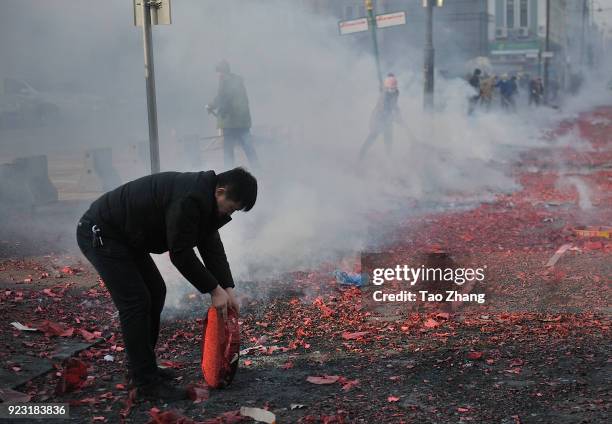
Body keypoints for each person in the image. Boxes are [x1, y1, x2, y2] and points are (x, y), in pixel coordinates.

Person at [76, 167, 257, 402]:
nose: (228, 214)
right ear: (220, 191)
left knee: (156, 291)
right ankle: (145, 383)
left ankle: (142, 368)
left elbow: (210, 245)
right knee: (136, 302)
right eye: (230, 207)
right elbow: (180, 253)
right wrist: (214, 290)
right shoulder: (190, 199)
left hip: (127, 237)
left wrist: (228, 289)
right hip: (102, 233)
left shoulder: (206, 200)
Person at [207, 60, 259, 169]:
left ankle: (228, 170)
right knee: (248, 147)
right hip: (242, 121)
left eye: (219, 72)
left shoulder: (226, 82)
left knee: (228, 149)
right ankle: (257, 169)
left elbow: (222, 98)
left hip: (231, 123)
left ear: (223, 71)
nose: (218, 75)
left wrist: (211, 106)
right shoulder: (237, 81)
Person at [359, 73, 402, 160]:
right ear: (386, 87)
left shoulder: (396, 93)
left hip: (388, 120)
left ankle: (388, 157)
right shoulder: (384, 96)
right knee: (373, 136)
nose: (392, 90)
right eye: (390, 88)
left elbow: (394, 105)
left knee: (389, 138)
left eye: (394, 88)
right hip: (378, 118)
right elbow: (383, 110)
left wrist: (398, 113)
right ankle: (361, 154)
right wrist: (394, 117)